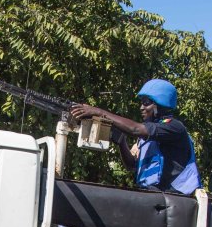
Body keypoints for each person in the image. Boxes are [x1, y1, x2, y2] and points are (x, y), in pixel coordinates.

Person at [71, 78, 200, 195]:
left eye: (146, 103)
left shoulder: (174, 127)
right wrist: (122, 142)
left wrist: (99, 111)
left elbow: (135, 129)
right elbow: (131, 165)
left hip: (178, 198)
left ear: (160, 105)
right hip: (154, 195)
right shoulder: (148, 136)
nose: (141, 107)